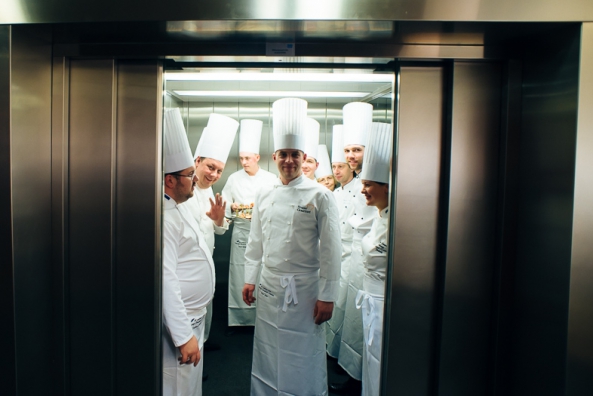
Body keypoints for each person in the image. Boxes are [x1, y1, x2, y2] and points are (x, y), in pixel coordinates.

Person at [242, 97, 342, 396]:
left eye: (295, 154)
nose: (289, 161)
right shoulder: (264, 192)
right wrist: (250, 277)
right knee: (268, 347)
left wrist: (327, 296)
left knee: (303, 351)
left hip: (305, 288)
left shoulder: (320, 195)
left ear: (303, 157)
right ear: (274, 157)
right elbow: (256, 239)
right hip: (271, 283)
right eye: (283, 154)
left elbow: (331, 249)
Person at [162, 108, 214, 396]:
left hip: (194, 317)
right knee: (177, 386)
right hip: (179, 326)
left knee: (190, 386)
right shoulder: (165, 217)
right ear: (170, 180)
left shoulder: (177, 208)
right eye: (189, 175)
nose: (195, 180)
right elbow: (166, 280)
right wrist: (183, 337)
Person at [183, 113, 239, 348]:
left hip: (206, 264)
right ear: (197, 161)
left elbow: (219, 231)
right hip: (185, 268)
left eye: (219, 170)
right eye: (210, 167)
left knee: (204, 313)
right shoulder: (180, 189)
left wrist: (219, 221)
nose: (214, 174)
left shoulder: (211, 190)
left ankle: (201, 352)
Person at [333, 102, 377, 395]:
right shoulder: (354, 181)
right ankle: (348, 367)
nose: (350, 156)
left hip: (366, 260)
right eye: (348, 150)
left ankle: (358, 377)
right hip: (349, 258)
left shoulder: (372, 180)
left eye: (356, 150)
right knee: (347, 316)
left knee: (359, 323)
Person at [221, 119, 277, 328]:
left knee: (264, 273)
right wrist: (231, 211)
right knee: (239, 272)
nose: (244, 162)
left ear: (257, 158)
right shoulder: (234, 179)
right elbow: (226, 207)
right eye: (241, 158)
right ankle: (239, 320)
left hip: (265, 235)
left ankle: (263, 319)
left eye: (248, 158)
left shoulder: (271, 179)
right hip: (241, 233)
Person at [356, 122, 391, 396]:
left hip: (384, 303)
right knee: (371, 358)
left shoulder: (397, 223)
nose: (363, 190)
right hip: (371, 299)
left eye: (368, 185)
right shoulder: (379, 215)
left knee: (380, 359)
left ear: (387, 187)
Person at [325, 125, 357, 359]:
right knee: (336, 304)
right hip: (335, 254)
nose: (337, 171)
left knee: (344, 307)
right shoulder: (334, 194)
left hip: (352, 255)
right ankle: (330, 349)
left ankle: (338, 353)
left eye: (340, 166)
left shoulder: (361, 189)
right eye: (334, 166)